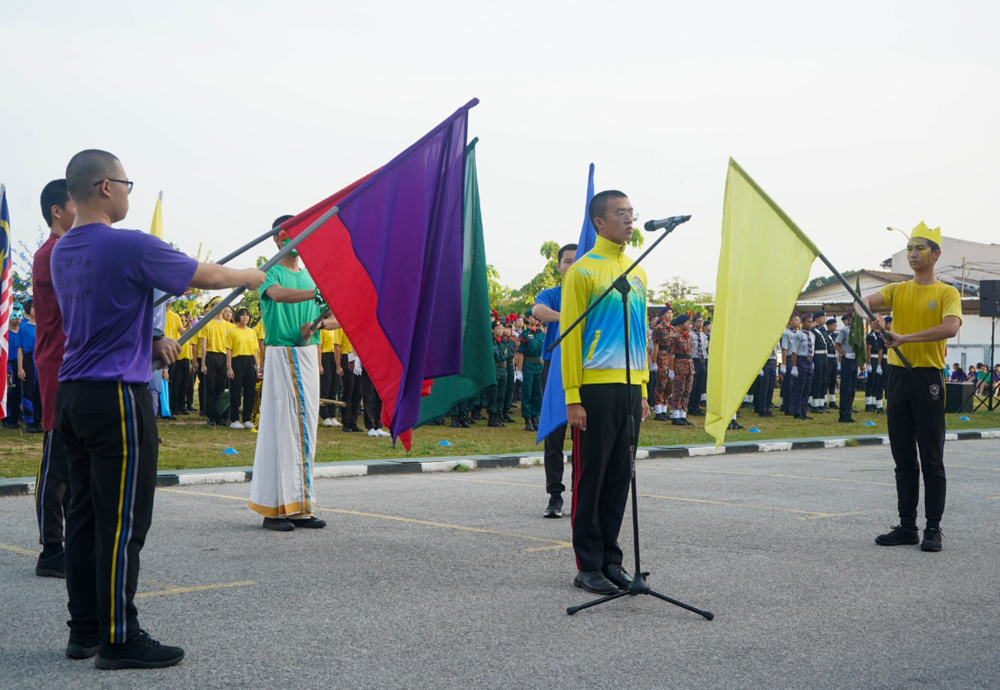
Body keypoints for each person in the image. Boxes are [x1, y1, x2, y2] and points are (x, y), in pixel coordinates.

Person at [54, 149, 264, 668]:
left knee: (82, 517)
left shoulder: (63, 251)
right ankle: (120, 639)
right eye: (127, 182)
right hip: (115, 399)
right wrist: (252, 278)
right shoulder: (128, 245)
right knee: (123, 521)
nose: (129, 192)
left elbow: (109, 316)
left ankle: (83, 631)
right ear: (106, 186)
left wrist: (148, 343)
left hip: (74, 397)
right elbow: (207, 277)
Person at [561, 189, 649, 595]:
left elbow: (640, 335)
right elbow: (571, 337)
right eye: (620, 214)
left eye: (631, 213)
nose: (629, 220)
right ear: (599, 222)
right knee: (590, 478)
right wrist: (572, 395)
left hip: (630, 389)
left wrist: (644, 389)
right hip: (594, 391)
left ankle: (612, 560)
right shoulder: (582, 271)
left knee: (619, 478)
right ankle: (588, 564)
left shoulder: (638, 271)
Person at [861, 222, 961, 553]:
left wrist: (905, 337)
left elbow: (949, 328)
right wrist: (871, 316)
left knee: (931, 458)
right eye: (909, 249)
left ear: (936, 254)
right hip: (898, 376)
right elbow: (862, 301)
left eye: (919, 248)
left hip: (927, 376)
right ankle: (907, 526)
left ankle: (933, 528)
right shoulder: (897, 290)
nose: (913, 253)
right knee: (903, 458)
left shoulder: (947, 292)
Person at [248, 215, 338, 531]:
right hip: (281, 355)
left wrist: (319, 324)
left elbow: (336, 314)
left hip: (308, 354)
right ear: (278, 237)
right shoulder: (268, 271)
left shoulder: (313, 276)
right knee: (281, 432)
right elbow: (279, 295)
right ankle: (273, 510)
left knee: (305, 434)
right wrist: (315, 295)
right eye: (291, 234)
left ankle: (300, 507)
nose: (298, 241)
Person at [31, 179, 76, 578]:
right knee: (57, 461)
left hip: (76, 365)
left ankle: (70, 543)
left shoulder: (69, 249)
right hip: (58, 366)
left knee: (77, 461)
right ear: (57, 211)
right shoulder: (53, 253)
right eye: (76, 203)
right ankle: (51, 550)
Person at [532, 242, 576, 518]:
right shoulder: (552, 294)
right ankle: (555, 495)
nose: (572, 265)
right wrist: (569, 318)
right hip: (555, 367)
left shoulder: (595, 295)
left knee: (586, 437)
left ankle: (583, 495)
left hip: (588, 369)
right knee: (554, 435)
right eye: (567, 261)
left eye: (577, 260)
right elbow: (538, 311)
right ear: (559, 266)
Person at [225, 307, 259, 429]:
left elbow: (255, 350)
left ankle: (247, 418)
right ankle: (234, 419)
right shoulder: (232, 331)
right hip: (237, 361)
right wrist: (229, 367)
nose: (245, 317)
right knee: (235, 391)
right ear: (238, 317)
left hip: (250, 361)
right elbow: (228, 350)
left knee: (250, 391)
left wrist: (257, 366)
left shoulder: (252, 332)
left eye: (247, 315)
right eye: (243, 315)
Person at [199, 298, 231, 427]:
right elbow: (203, 345)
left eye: (221, 305)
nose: (219, 307)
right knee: (210, 386)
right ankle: (210, 416)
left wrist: (229, 363)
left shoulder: (228, 325)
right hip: (211, 356)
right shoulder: (207, 323)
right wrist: (203, 363)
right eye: (216, 305)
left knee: (221, 387)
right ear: (212, 307)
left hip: (223, 357)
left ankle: (220, 416)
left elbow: (230, 347)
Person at [17, 299, 44, 433]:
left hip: (42, 359)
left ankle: (39, 420)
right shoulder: (23, 327)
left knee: (40, 391)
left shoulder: (43, 326)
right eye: (33, 307)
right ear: (28, 309)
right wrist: (20, 368)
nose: (36, 309)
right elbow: (20, 349)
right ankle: (29, 421)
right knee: (28, 390)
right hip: (29, 359)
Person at [666, 314, 695, 426]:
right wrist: (671, 369)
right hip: (679, 365)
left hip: (689, 366)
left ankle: (683, 414)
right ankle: (675, 415)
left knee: (687, 391)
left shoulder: (689, 337)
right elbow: (671, 354)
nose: (688, 324)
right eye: (686, 322)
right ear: (680, 324)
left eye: (689, 322)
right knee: (678, 391)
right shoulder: (675, 337)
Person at [518, 311, 544, 432]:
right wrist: (520, 370)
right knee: (527, 392)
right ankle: (527, 418)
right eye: (533, 317)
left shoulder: (540, 333)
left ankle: (536, 416)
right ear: (527, 319)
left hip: (538, 364)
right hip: (528, 364)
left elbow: (543, 352)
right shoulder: (524, 334)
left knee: (537, 391)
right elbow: (521, 353)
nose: (536, 319)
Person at [334, 327, 363, 432]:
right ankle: (346, 422)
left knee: (358, 391)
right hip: (347, 357)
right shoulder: (341, 327)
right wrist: (338, 366)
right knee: (348, 390)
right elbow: (337, 347)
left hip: (358, 358)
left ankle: (353, 421)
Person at [788, 312, 815, 420]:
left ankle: (804, 411)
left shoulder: (812, 335)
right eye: (808, 322)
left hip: (809, 361)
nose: (810, 324)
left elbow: (812, 350)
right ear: (802, 323)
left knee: (807, 388)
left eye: (811, 322)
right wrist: (794, 367)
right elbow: (794, 351)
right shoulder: (798, 335)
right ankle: (797, 412)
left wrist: (812, 362)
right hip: (801, 361)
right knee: (799, 387)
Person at [164, 306, 191, 416]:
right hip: (159, 351)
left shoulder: (175, 316)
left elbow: (183, 333)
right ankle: (164, 407)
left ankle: (176, 406)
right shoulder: (156, 313)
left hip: (172, 354)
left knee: (174, 382)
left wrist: (189, 323)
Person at [833, 313, 858, 423]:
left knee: (852, 388)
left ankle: (849, 412)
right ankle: (843, 415)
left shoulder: (858, 331)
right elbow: (836, 345)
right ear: (849, 318)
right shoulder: (844, 331)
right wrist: (845, 354)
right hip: (847, 359)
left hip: (855, 360)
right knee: (846, 387)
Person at [650, 304, 673, 420]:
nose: (670, 315)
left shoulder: (673, 329)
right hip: (661, 356)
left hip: (670, 357)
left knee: (669, 384)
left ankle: (664, 409)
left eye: (671, 313)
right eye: (668, 313)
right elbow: (656, 346)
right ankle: (658, 410)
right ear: (663, 315)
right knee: (661, 384)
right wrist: (654, 362)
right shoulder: (658, 328)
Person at [4, 308, 24, 428]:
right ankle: (7, 419)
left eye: (19, 316)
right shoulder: (5, 333)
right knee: (9, 392)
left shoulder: (22, 332)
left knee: (18, 392)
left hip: (20, 364)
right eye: (14, 316)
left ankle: (15, 418)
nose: (17, 318)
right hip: (8, 364)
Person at [486, 319, 508, 427]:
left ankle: (499, 415)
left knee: (501, 394)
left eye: (501, 328)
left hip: (502, 369)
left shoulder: (503, 341)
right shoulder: (490, 341)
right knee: (493, 394)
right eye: (498, 328)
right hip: (493, 368)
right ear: (493, 329)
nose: (500, 330)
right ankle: (492, 417)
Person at [318, 328, 342, 427]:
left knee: (334, 387)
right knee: (325, 387)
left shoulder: (337, 330)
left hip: (335, 357)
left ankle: (332, 415)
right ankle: (325, 415)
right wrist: (319, 364)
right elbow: (319, 347)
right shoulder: (323, 330)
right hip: (326, 356)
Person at [865, 318, 887, 413]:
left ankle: (874, 403)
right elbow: (868, 350)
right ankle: (868, 403)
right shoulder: (871, 335)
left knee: (877, 381)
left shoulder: (881, 335)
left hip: (879, 359)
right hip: (873, 358)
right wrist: (868, 363)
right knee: (871, 381)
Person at [808, 311, 829, 414]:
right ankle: (815, 405)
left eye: (825, 318)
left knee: (824, 380)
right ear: (816, 319)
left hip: (825, 356)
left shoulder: (824, 331)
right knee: (818, 380)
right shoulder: (813, 331)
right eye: (822, 318)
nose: (824, 320)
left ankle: (821, 404)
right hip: (817, 356)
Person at [779, 314, 800, 413]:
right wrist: (783, 364)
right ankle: (787, 407)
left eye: (798, 320)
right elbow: (784, 349)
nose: (797, 322)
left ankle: (793, 405)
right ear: (790, 322)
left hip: (796, 358)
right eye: (795, 320)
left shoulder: (798, 333)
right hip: (789, 358)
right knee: (789, 384)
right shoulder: (787, 334)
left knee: (795, 384)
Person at [687, 313, 707, 416]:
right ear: (694, 323)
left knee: (700, 385)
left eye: (702, 321)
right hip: (693, 360)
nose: (701, 323)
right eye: (698, 321)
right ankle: (691, 407)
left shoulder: (703, 336)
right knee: (693, 385)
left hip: (702, 361)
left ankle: (697, 406)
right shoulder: (690, 335)